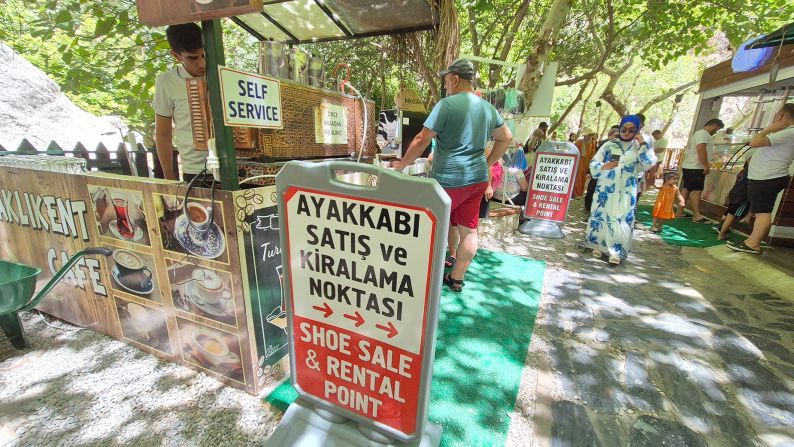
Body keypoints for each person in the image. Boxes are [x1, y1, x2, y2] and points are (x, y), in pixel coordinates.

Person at [393, 59, 512, 291]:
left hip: (449, 179)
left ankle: (423, 275)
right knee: (469, 229)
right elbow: (505, 137)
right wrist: (488, 163)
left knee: (431, 226)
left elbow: (421, 140)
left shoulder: (446, 105)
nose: (445, 85)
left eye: (446, 80)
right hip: (476, 179)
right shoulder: (488, 108)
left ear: (455, 79)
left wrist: (401, 165)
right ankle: (456, 278)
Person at [584, 115, 656, 265]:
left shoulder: (639, 146)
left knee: (621, 218)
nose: (627, 132)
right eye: (624, 129)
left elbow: (648, 163)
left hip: (626, 189)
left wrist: (642, 142)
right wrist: (602, 167)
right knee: (602, 214)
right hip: (606, 187)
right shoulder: (610, 144)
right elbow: (594, 163)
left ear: (637, 130)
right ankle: (599, 245)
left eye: (631, 129)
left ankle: (616, 251)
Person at [729, 104, 794, 254]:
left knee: (762, 212)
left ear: (781, 116)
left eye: (778, 113)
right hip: (768, 176)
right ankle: (752, 241)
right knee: (762, 211)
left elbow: (754, 143)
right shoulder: (788, 133)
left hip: (767, 177)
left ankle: (753, 243)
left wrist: (768, 129)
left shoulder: (789, 133)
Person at [154, 23, 212, 186]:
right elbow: (163, 135)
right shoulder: (166, 82)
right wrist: (170, 181)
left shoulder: (222, 73)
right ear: (176, 55)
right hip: (196, 171)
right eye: (193, 58)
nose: (201, 64)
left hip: (234, 166)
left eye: (204, 55)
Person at [677, 118, 725, 222]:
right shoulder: (702, 134)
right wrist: (706, 166)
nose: (715, 132)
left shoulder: (700, 134)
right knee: (696, 191)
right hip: (696, 167)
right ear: (714, 125)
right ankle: (696, 215)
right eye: (716, 129)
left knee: (687, 188)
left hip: (691, 166)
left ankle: (680, 211)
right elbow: (701, 150)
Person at [585, 125, 620, 212]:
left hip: (609, 174)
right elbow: (595, 159)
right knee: (592, 189)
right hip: (599, 170)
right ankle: (589, 207)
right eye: (615, 135)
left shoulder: (619, 146)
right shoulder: (605, 143)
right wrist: (591, 171)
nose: (616, 138)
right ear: (610, 134)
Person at [716, 159, 751, 241]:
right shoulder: (752, 174)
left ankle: (720, 227)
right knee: (732, 214)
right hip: (741, 197)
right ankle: (722, 234)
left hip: (734, 194)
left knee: (728, 212)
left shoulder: (742, 172)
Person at [573, 128, 597, 197]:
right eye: (589, 135)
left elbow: (593, 154)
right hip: (578, 162)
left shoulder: (593, 143)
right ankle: (576, 193)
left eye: (591, 135)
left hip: (586, 163)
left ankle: (580, 193)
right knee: (578, 178)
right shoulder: (579, 142)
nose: (590, 137)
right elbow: (574, 151)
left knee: (584, 178)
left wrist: (591, 163)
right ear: (585, 136)